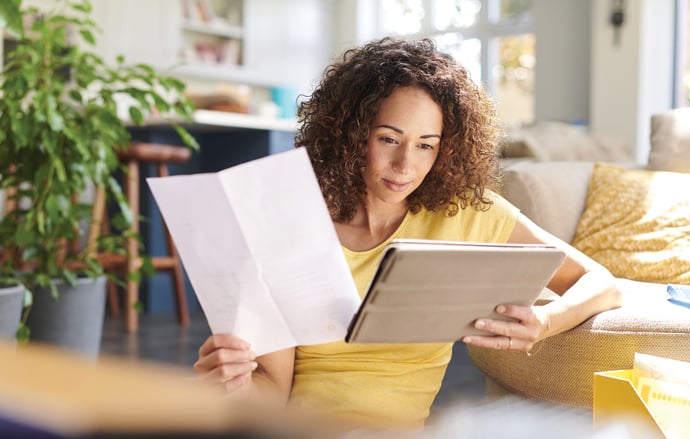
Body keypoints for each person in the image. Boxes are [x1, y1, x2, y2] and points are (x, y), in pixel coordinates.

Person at [194, 37, 622, 430]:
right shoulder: (293, 223)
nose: (405, 165)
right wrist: (233, 384)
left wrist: (545, 321)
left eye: (425, 145)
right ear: (351, 134)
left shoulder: (467, 213)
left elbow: (601, 283)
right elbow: (272, 393)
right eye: (388, 139)